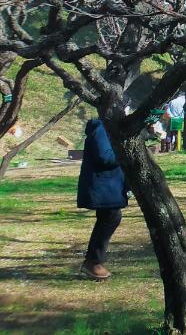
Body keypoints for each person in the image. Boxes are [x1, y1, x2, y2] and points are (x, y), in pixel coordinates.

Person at [77, 118, 127, 280]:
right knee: (110, 218)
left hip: (109, 184)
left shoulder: (111, 126)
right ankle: (93, 262)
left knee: (110, 218)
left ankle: (93, 261)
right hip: (103, 184)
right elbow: (105, 157)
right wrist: (126, 152)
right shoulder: (100, 127)